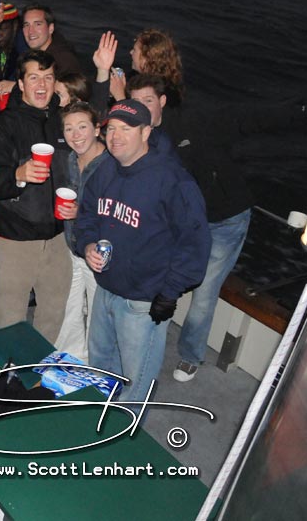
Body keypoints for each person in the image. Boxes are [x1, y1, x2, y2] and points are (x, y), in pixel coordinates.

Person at [76, 100, 210, 404]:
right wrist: (87, 244)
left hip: (143, 301)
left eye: (126, 129)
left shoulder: (173, 180)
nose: (116, 136)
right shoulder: (106, 169)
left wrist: (169, 293)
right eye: (112, 128)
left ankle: (127, 432)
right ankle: (98, 423)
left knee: (135, 385)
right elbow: (87, 216)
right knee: (100, 369)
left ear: (146, 132)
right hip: (105, 290)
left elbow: (195, 243)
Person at [126, 72, 254, 382]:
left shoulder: (188, 126)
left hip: (224, 217)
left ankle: (191, 355)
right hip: (182, 217)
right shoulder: (140, 133)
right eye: (136, 101)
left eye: (148, 101)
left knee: (204, 289)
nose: (142, 107)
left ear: (162, 101)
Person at [0, 49, 72, 341]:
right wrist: (18, 175)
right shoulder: (5, 124)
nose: (42, 85)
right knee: (10, 326)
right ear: (21, 84)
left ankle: (39, 369)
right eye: (34, 78)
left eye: (48, 77)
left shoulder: (63, 119)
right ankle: (10, 371)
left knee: (53, 318)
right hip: (15, 241)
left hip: (57, 240)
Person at [53, 102, 107, 361]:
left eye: (82, 127)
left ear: (96, 129)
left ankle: (94, 366)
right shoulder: (70, 159)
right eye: (69, 129)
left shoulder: (110, 164)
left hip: (98, 252)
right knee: (67, 308)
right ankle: (69, 360)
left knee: (98, 316)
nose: (76, 135)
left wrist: (81, 212)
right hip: (71, 247)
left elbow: (115, 213)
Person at [19, 5, 82, 79]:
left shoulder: (63, 60)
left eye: (38, 24)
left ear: (51, 28)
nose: (30, 31)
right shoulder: (37, 52)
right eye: (26, 25)